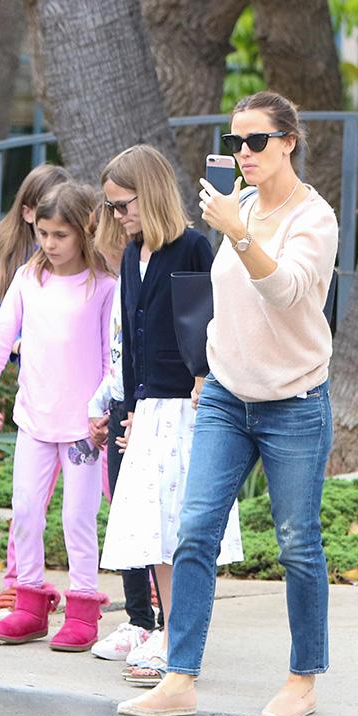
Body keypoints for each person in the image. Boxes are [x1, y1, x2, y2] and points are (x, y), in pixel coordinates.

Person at [117, 92, 338, 716]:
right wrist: (204, 367)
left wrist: (240, 236)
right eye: (235, 141)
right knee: (194, 531)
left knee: (297, 543)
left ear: (288, 141)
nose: (243, 153)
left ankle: (302, 678)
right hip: (222, 397)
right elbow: (222, 300)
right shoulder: (235, 205)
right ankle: (180, 675)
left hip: (293, 402)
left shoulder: (312, 219)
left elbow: (289, 294)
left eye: (257, 141)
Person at [98, 144, 243, 686]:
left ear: (151, 194)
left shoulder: (193, 249)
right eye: (112, 207)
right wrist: (131, 408)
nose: (118, 216)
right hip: (150, 408)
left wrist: (206, 375)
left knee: (183, 523)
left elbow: (217, 315)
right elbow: (131, 343)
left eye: (123, 204)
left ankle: (180, 633)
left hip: (191, 404)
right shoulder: (133, 256)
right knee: (153, 525)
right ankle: (164, 626)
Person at [0, 182, 116, 651]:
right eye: (43, 234)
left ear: (84, 232)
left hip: (82, 431)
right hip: (33, 422)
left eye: (60, 235)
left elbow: (113, 358)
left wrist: (103, 411)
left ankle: (84, 606)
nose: (49, 245)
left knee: (77, 517)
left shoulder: (103, 286)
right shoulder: (28, 279)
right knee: (27, 513)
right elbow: (0, 340)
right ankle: (30, 604)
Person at [0, 163, 72, 623]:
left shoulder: (85, 264)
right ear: (28, 214)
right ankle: (17, 585)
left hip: (83, 396)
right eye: (45, 224)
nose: (53, 239)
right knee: (29, 498)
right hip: (38, 394)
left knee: (111, 487)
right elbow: (0, 329)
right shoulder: (13, 257)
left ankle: (147, 577)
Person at [85, 199, 164, 662]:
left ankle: (159, 619)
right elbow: (118, 358)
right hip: (120, 407)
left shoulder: (140, 279)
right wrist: (102, 405)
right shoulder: (119, 287)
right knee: (123, 512)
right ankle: (137, 618)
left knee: (147, 514)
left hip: (146, 410)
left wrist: (134, 408)